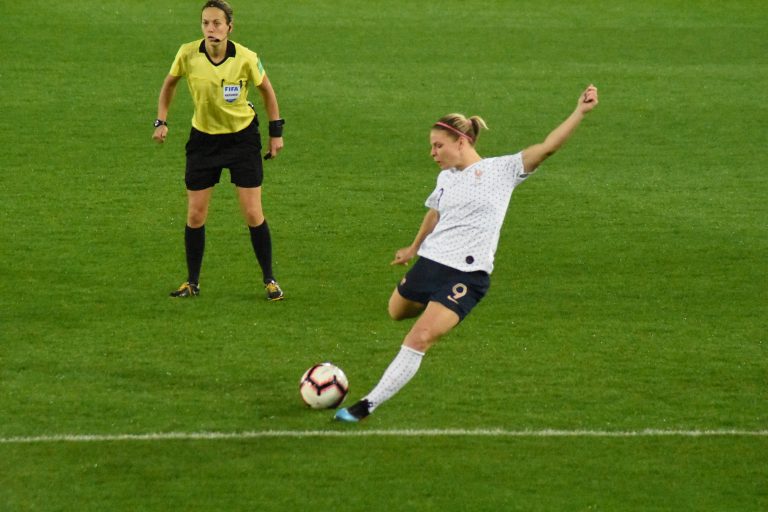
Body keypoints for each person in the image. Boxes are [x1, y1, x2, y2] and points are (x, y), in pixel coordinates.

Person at [335, 85, 599, 422]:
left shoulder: (503, 170)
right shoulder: (446, 177)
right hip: (431, 263)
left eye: (438, 145)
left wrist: (580, 112)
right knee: (396, 311)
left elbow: (548, 147)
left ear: (462, 141)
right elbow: (434, 212)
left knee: (421, 336)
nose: (433, 153)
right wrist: (413, 248)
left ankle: (365, 406)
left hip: (466, 276)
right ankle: (432, 304)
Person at [152, 0, 285, 301]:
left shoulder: (246, 58)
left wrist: (275, 133)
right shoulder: (188, 53)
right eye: (205, 23)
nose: (210, 29)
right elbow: (169, 85)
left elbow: (267, 91)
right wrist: (162, 120)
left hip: (242, 140)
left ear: (229, 27)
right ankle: (192, 282)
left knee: (253, 213)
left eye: (216, 23)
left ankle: (270, 280)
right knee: (196, 214)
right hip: (204, 141)